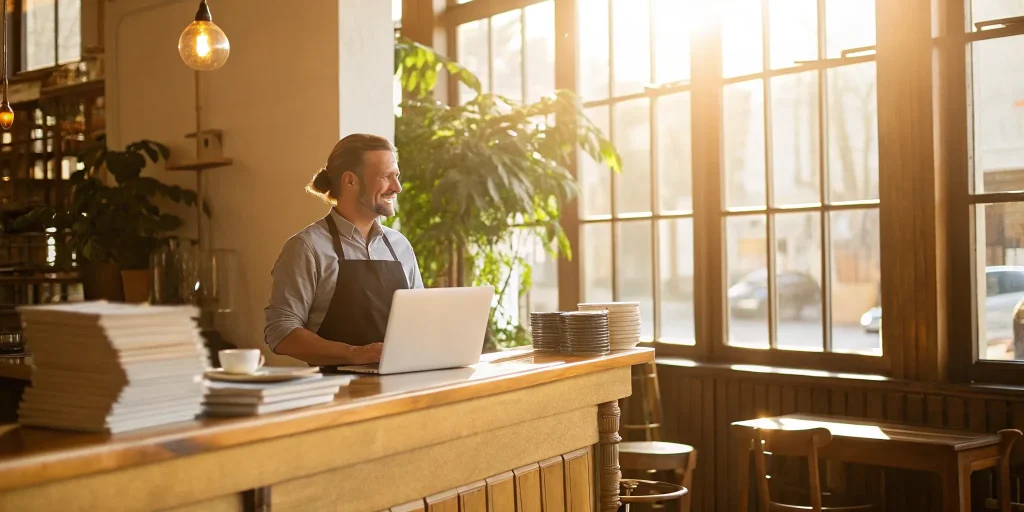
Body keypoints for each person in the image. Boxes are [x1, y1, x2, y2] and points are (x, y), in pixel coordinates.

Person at [264, 133, 423, 366]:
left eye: (396, 176)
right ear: (350, 181)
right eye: (386, 177)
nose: (397, 187)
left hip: (402, 383)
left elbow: (420, 320)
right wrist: (353, 354)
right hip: (336, 387)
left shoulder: (400, 246)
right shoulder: (307, 248)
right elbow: (280, 331)